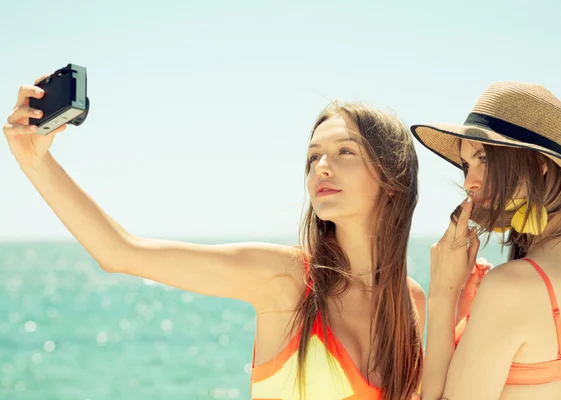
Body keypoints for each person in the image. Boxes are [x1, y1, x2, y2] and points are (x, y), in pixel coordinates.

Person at [3, 74, 427, 400]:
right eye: (314, 156)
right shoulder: (286, 279)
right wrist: (35, 162)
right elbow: (122, 252)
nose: (321, 167)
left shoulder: (411, 303)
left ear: (392, 177)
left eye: (344, 152)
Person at [410, 81, 561, 400]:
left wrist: (443, 292)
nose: (469, 182)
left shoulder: (513, 287)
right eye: (466, 164)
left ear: (541, 164)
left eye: (483, 158)